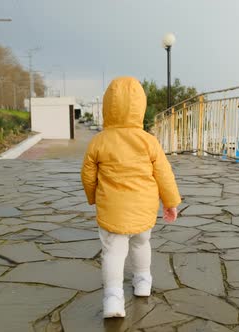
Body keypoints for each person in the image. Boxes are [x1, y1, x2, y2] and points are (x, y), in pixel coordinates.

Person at [81, 77, 181, 318]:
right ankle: (143, 281)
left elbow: (88, 176)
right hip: (143, 210)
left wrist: (93, 197)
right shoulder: (149, 141)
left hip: (112, 211)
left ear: (107, 107)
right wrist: (170, 202)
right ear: (140, 107)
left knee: (113, 253)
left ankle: (113, 298)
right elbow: (164, 174)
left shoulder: (98, 141)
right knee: (141, 243)